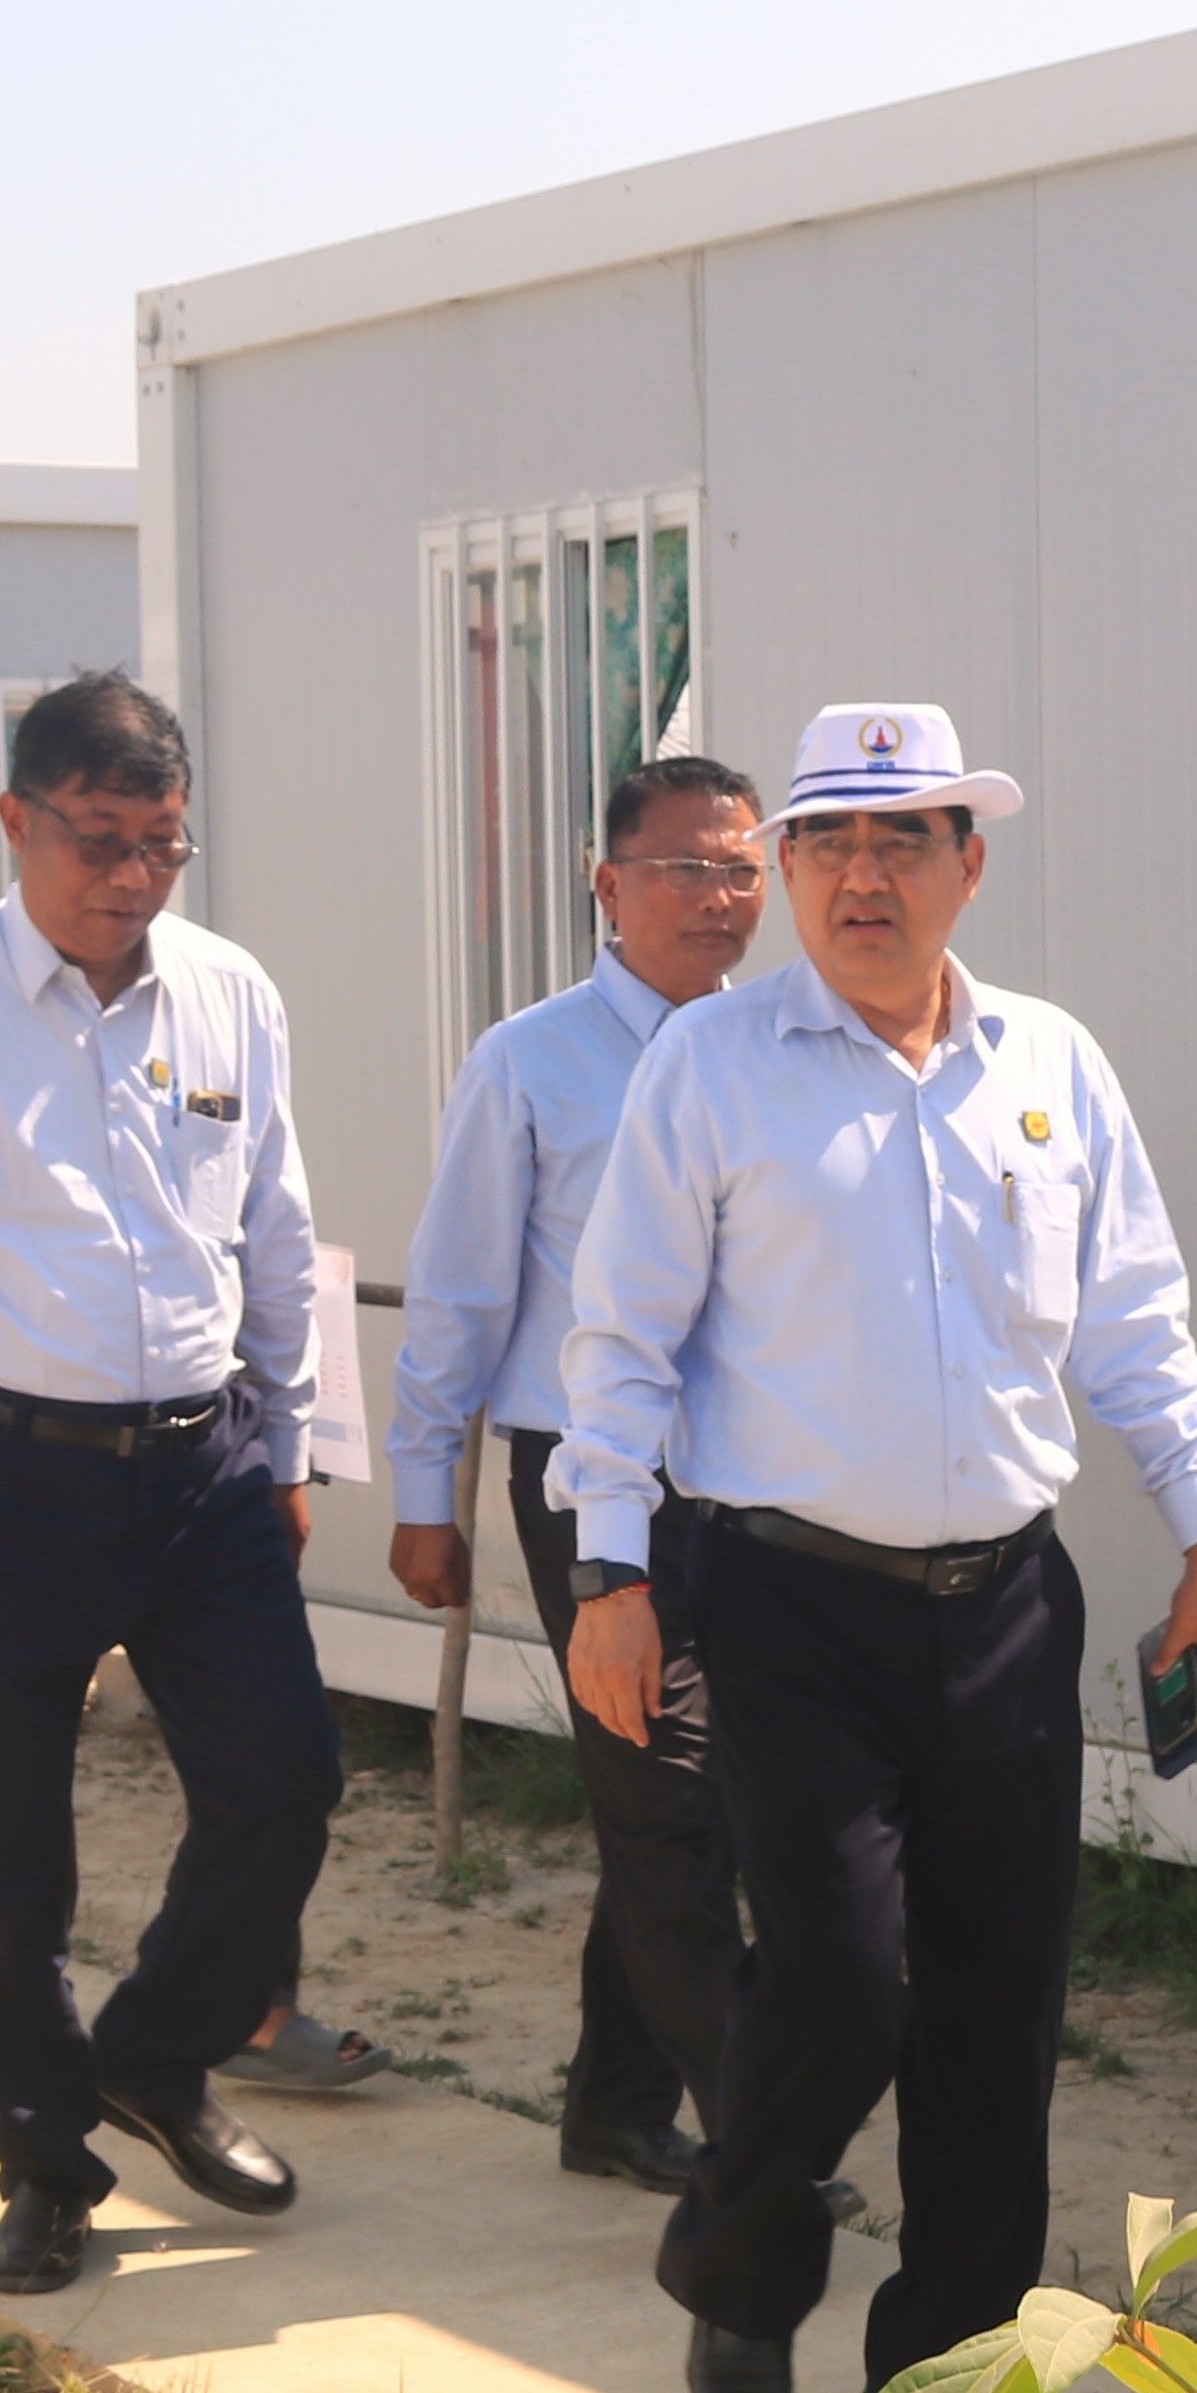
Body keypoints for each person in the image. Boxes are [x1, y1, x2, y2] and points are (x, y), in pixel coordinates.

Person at [558, 701, 1197, 2393]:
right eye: (830, 844)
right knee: (837, 1979)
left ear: (970, 865)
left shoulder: (1051, 1066)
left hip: (1008, 1610)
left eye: (904, 841)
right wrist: (609, 1572)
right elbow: (622, 1336)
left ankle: (953, 2372)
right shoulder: (712, 1068)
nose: (864, 877)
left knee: (997, 2007)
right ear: (789, 870)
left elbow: (1135, 1321)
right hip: (788, 1604)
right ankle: (740, 2269)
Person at [0, 672, 381, 2299]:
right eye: (98, 840)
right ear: (15, 823)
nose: (130, 877)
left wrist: (294, 1439)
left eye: (162, 845)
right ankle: (45, 2162)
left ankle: (157, 2057)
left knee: (284, 1780)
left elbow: (274, 1226)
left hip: (200, 1469)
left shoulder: (229, 993)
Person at [387, 754, 773, 2196]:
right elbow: (460, 1293)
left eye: (741, 869)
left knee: (693, 1807)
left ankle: (614, 2108)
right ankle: (760, 2142)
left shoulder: (780, 1050)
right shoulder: (530, 1063)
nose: (718, 897)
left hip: (755, 1487)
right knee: (670, 1803)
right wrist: (422, 1494)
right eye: (684, 869)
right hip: (590, 1486)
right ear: (608, 886)